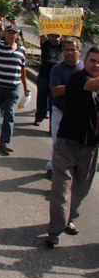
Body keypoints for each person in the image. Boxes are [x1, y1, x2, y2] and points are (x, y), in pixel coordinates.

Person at [45, 46, 99, 248]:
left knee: (81, 188)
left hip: (91, 147)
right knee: (62, 187)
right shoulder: (78, 78)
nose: (96, 65)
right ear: (85, 62)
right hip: (68, 143)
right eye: (92, 60)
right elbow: (92, 85)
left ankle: (70, 218)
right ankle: (55, 230)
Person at [0, 15, 29, 154]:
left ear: (17, 35)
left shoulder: (21, 50)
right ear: (5, 34)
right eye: (8, 32)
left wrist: (26, 87)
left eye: (13, 33)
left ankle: (4, 142)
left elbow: (23, 69)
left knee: (9, 114)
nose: (10, 35)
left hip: (13, 88)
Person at [45, 37, 84, 180]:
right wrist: (75, 84)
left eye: (72, 50)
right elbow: (55, 92)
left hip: (79, 115)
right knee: (58, 144)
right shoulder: (57, 69)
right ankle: (56, 173)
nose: (69, 53)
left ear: (79, 51)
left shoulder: (85, 69)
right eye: (66, 50)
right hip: (60, 112)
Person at [34, 33, 63, 128]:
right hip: (44, 77)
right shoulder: (45, 44)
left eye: (57, 37)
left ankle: (53, 126)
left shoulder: (63, 45)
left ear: (61, 37)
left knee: (54, 103)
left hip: (56, 80)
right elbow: (42, 35)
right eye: (52, 36)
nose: (54, 39)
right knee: (41, 99)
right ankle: (39, 117)